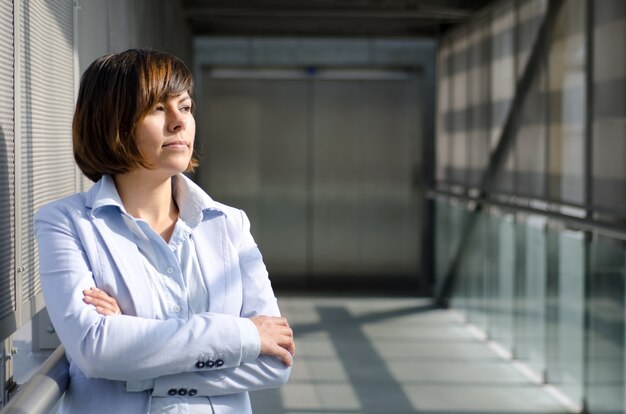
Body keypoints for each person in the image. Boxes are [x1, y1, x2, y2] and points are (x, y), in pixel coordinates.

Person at [34, 49, 294, 414]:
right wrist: (244, 336)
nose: (178, 123)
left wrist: (133, 354)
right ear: (113, 122)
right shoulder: (65, 223)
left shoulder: (229, 224)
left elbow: (275, 359)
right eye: (157, 108)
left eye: (185, 107)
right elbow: (95, 348)